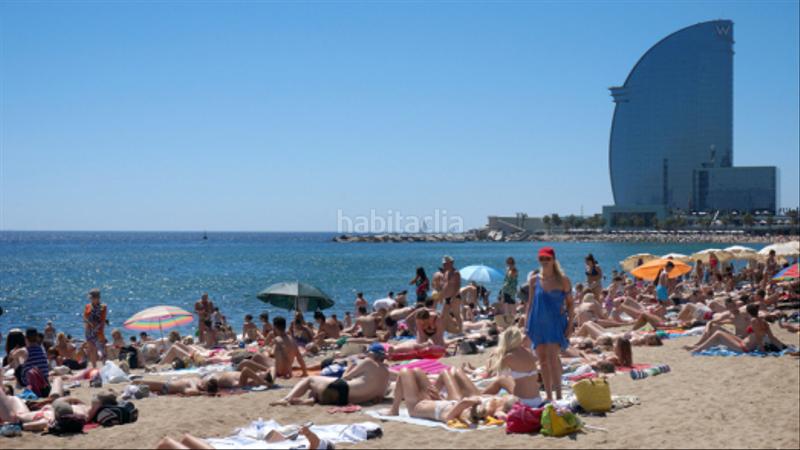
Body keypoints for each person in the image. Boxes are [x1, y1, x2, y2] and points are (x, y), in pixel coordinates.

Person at [525, 247, 574, 402]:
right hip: (537, 323)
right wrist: (526, 324)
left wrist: (570, 325)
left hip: (555, 323)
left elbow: (570, 304)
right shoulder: (534, 280)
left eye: (548, 258)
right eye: (542, 259)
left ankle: (558, 395)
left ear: (553, 260)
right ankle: (548, 396)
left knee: (553, 359)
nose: (545, 261)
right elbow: (530, 304)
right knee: (543, 361)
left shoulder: (563, 280)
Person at [271, 343, 390, 406]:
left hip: (343, 390)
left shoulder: (368, 362)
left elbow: (345, 377)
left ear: (371, 354)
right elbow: (379, 397)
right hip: (347, 401)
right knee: (322, 385)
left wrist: (350, 365)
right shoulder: (387, 372)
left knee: (310, 379)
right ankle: (310, 400)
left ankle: (286, 399)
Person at [382, 368, 480, 423]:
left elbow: (465, 402)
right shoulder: (457, 409)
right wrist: (439, 398)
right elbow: (464, 403)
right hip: (429, 400)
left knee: (404, 372)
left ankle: (394, 410)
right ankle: (393, 410)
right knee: (417, 371)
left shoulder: (449, 416)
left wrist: (474, 401)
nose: (469, 408)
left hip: (416, 407)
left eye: (469, 410)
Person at [687, 304, 787, 353]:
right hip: (743, 342)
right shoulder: (764, 322)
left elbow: (758, 337)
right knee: (719, 333)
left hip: (744, 347)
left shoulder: (754, 321)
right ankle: (697, 347)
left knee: (718, 334)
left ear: (748, 312)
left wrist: (762, 349)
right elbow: (772, 338)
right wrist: (783, 347)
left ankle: (697, 349)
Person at [482, 327, 542, 408]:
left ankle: (480, 397)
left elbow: (490, 373)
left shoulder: (508, 356)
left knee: (500, 380)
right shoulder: (528, 352)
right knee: (505, 379)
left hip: (522, 402)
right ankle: (481, 396)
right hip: (537, 400)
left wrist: (491, 357)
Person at [83, 288, 108, 368]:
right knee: (92, 350)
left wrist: (96, 325)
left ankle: (105, 367)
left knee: (102, 350)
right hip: (89, 331)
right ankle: (94, 368)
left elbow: (102, 320)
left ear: (97, 298)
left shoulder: (103, 307)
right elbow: (85, 318)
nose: (91, 299)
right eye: (91, 298)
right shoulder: (87, 306)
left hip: (98, 331)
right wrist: (87, 324)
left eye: (92, 298)